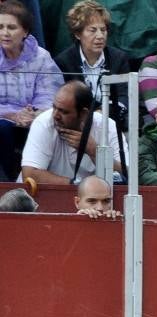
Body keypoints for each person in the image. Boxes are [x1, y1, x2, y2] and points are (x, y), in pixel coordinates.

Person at [0, 0, 62, 180]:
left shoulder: (40, 56)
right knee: (2, 129)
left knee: (47, 126)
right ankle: (6, 183)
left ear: (25, 31)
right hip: (4, 120)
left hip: (32, 117)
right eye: (1, 27)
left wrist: (34, 113)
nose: (5, 33)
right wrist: (13, 115)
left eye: (11, 27)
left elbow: (49, 94)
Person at [19, 80, 124, 184]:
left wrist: (94, 152)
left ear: (84, 113)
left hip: (93, 198)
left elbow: (125, 174)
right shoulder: (44, 123)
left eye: (64, 111)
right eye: (54, 107)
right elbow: (29, 174)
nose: (55, 115)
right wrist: (77, 185)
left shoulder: (108, 127)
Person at [53, 1, 131, 122]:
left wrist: (101, 114)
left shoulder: (119, 58)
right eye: (93, 30)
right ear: (78, 34)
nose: (100, 36)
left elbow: (124, 97)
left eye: (103, 30)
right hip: (77, 122)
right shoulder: (64, 61)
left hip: (112, 120)